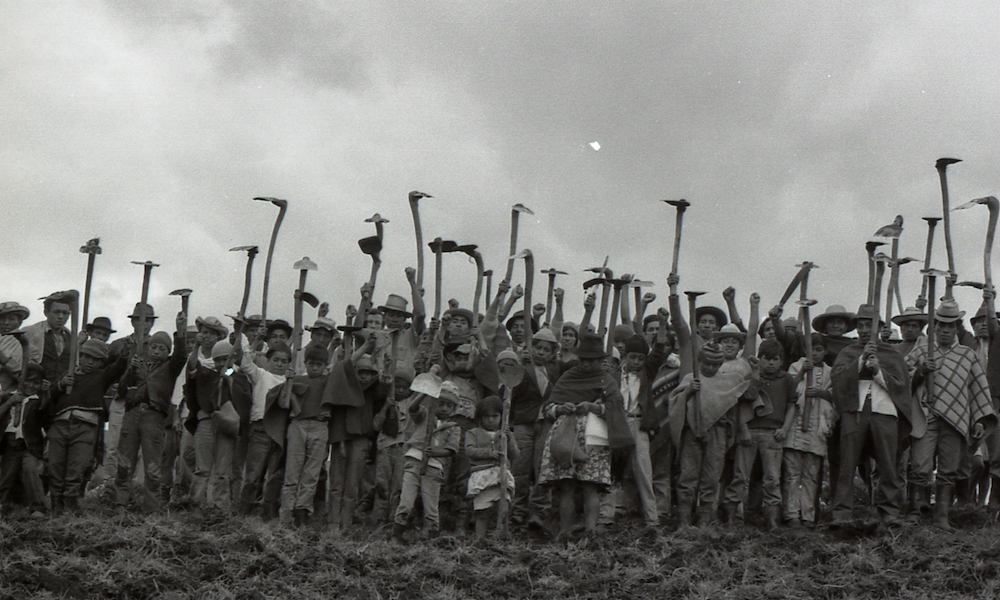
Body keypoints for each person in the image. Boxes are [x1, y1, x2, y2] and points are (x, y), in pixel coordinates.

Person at [829, 304, 925, 529]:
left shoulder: (892, 354)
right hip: (855, 410)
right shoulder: (849, 352)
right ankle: (841, 513)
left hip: (885, 412)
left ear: (880, 327)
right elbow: (838, 379)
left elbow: (902, 385)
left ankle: (890, 512)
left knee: (888, 464)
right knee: (847, 462)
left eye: (869, 326)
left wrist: (878, 371)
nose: (864, 330)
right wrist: (861, 361)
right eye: (860, 326)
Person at [905, 300, 996, 530]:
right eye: (941, 325)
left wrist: (978, 420)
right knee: (920, 464)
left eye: (951, 325)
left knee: (948, 468)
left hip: (956, 420)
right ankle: (915, 512)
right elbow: (900, 378)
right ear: (934, 326)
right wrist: (920, 371)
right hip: (926, 415)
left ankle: (941, 517)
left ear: (957, 328)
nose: (945, 330)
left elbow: (978, 388)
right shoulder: (922, 349)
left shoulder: (967, 355)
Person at [536, 333, 634, 540]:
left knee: (591, 486)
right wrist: (561, 408)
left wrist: (594, 407)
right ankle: (565, 531)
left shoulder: (606, 381)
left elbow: (616, 409)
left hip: (594, 440)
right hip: (565, 437)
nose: (587, 364)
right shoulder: (568, 377)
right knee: (567, 486)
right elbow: (549, 408)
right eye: (583, 360)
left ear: (600, 361)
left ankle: (590, 531)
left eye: (592, 360)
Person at [669, 342, 751, 530]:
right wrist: (688, 392)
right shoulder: (691, 379)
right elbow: (674, 404)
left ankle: (704, 519)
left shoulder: (726, 382)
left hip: (717, 433)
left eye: (715, 365)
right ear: (699, 361)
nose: (710, 368)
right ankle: (683, 520)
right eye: (707, 364)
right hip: (692, 433)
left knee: (711, 477)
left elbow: (734, 404)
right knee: (688, 475)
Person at [111, 312, 187, 512]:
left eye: (162, 348)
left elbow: (181, 355)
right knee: (125, 462)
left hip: (154, 417)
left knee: (153, 465)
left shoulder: (171, 367)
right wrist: (130, 370)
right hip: (132, 414)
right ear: (148, 347)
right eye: (153, 346)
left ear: (167, 352)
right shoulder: (138, 363)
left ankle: (151, 509)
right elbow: (121, 389)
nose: (156, 351)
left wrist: (180, 332)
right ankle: (120, 503)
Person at [47, 339, 128, 515]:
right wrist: (61, 385)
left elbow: (118, 368)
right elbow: (50, 395)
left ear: (100, 362)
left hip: (86, 426)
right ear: (80, 357)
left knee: (76, 467)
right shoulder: (67, 374)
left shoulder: (101, 376)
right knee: (56, 465)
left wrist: (124, 353)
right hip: (61, 424)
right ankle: (56, 504)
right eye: (87, 357)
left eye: (95, 359)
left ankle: (70, 501)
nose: (90, 362)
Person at [722, 340, 796, 530]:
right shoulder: (750, 377)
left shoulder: (786, 379)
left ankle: (771, 519)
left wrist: (785, 428)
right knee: (740, 475)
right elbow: (741, 403)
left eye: (775, 359)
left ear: (781, 361)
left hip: (773, 434)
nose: (770, 363)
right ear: (759, 358)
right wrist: (743, 429)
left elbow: (791, 405)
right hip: (750, 432)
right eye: (766, 358)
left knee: (772, 478)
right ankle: (733, 518)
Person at [507, 329, 569, 529]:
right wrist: (519, 364)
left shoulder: (556, 370)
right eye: (537, 347)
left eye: (546, 350)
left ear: (552, 354)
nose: (540, 352)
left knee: (543, 468)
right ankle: (518, 509)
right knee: (520, 468)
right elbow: (510, 392)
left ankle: (539, 510)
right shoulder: (521, 368)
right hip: (524, 422)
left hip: (546, 423)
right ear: (530, 348)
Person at [392, 382, 462, 542]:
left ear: (454, 409)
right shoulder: (425, 415)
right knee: (406, 501)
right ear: (434, 403)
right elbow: (412, 408)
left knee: (431, 505)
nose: (444, 408)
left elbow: (452, 449)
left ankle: (430, 536)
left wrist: (436, 452)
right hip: (414, 460)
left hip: (434, 466)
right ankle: (397, 533)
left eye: (449, 405)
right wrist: (425, 392)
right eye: (441, 403)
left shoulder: (453, 427)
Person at [782, 334, 836, 528]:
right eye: (811, 349)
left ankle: (808, 516)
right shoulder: (797, 366)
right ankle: (791, 515)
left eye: (819, 350)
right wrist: (801, 374)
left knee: (811, 475)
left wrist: (821, 393)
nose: (814, 353)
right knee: (792, 474)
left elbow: (836, 395)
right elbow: (787, 390)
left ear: (825, 352)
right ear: (805, 350)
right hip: (795, 424)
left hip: (817, 427)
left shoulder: (830, 372)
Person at [234, 332, 289, 518]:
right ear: (268, 359)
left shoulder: (291, 381)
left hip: (280, 432)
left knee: (274, 476)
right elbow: (244, 361)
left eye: (284, 361)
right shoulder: (261, 375)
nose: (279, 364)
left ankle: (268, 514)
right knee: (253, 474)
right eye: (276, 360)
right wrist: (254, 341)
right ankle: (244, 511)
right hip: (260, 429)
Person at [281, 344, 336, 526]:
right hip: (298, 425)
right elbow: (283, 403)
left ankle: (302, 511)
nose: (314, 368)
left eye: (319, 364)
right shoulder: (296, 379)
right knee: (292, 471)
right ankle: (287, 513)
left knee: (311, 473)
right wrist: (288, 382)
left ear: (325, 365)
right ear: (305, 363)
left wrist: (334, 346)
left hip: (320, 426)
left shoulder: (329, 381)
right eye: (311, 363)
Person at [184, 338, 238, 515]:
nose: (222, 363)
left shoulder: (239, 378)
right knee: (202, 469)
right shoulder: (206, 375)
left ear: (233, 358)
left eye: (225, 358)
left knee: (223, 471)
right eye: (218, 359)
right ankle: (196, 507)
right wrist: (197, 346)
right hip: (206, 422)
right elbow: (192, 368)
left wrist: (229, 378)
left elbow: (242, 402)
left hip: (227, 426)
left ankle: (220, 510)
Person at [465, 396, 519, 541]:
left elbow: (515, 455)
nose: (490, 420)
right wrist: (490, 453)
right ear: (479, 418)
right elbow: (470, 451)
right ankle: (479, 540)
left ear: (501, 417)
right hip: (482, 475)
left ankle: (502, 537)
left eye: (494, 416)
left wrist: (510, 439)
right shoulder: (473, 433)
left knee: (504, 509)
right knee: (483, 511)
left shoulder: (505, 435)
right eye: (486, 416)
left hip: (502, 475)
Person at [0, 362, 48, 517]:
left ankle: (38, 507)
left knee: (30, 470)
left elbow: (47, 415)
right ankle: (2, 504)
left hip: (29, 446)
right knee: (6, 475)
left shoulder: (38, 401)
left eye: (36, 383)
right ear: (20, 379)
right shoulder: (7, 397)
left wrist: (47, 394)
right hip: (9, 443)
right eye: (27, 380)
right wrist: (10, 403)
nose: (31, 385)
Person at [371, 366, 416, 523]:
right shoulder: (384, 402)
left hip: (402, 448)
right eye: (398, 387)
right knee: (382, 484)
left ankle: (393, 519)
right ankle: (378, 518)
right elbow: (376, 426)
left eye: (405, 388)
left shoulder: (411, 406)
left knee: (398, 485)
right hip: (385, 447)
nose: (401, 391)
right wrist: (385, 407)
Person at [23, 291, 73, 385]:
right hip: (35, 391)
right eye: (56, 312)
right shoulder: (31, 333)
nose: (61, 317)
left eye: (65, 313)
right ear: (46, 312)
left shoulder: (71, 337)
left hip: (61, 392)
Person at [0, 302, 30, 392]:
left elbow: (23, 376)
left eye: (11, 319)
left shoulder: (25, 345)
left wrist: (4, 359)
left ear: (19, 322)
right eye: (2, 319)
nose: (6, 323)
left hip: (6, 394)